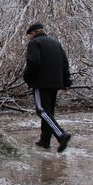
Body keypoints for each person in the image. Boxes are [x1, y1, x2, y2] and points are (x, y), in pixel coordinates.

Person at [24, 22, 72, 152]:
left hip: (41, 82)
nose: (30, 38)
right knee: (48, 112)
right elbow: (64, 64)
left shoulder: (34, 43)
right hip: (55, 83)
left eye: (30, 35)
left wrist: (27, 77)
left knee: (41, 110)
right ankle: (45, 140)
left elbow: (33, 62)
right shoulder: (56, 44)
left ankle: (61, 135)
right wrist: (66, 83)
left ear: (33, 33)